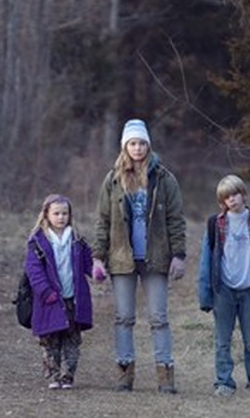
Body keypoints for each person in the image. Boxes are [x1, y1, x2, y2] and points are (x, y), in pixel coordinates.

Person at [92, 118, 187, 393]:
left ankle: (165, 375)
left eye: (141, 143)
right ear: (125, 146)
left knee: (159, 317)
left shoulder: (164, 178)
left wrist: (178, 255)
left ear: (148, 145)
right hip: (122, 258)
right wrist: (98, 256)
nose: (137, 148)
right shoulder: (113, 179)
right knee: (124, 317)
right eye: (132, 143)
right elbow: (103, 220)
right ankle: (124, 373)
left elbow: (176, 219)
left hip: (156, 257)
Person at [197, 174, 250, 397]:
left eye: (235, 194)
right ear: (222, 202)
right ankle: (224, 383)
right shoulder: (214, 225)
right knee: (222, 340)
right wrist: (205, 295)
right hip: (224, 290)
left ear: (244, 194)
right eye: (227, 197)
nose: (232, 200)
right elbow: (206, 262)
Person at [25, 194, 95, 389]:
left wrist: (97, 270)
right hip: (49, 300)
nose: (61, 217)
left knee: (72, 339)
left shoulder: (77, 240)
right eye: (56, 213)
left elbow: (88, 263)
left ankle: (68, 375)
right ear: (46, 215)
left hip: (73, 298)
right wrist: (45, 291)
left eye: (65, 213)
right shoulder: (38, 241)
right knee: (51, 339)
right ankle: (54, 375)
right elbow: (34, 270)